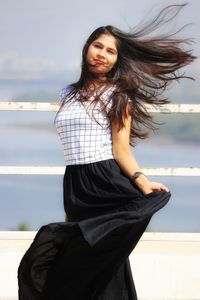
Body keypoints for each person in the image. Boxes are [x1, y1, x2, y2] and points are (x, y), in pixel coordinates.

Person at [18, 4, 195, 300]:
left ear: (116, 60)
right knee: (92, 261)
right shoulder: (67, 93)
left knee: (102, 260)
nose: (101, 53)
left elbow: (121, 149)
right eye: (97, 46)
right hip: (76, 184)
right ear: (87, 48)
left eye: (110, 51)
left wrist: (142, 182)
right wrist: (69, 208)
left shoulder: (118, 96)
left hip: (105, 183)